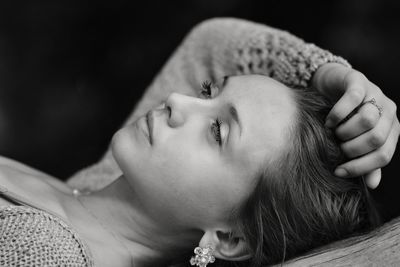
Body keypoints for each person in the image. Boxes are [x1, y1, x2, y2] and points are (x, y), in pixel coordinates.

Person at [0, 18, 399, 267]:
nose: (177, 101)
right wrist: (332, 75)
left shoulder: (43, 250)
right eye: (208, 93)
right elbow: (212, 44)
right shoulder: (88, 196)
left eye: (216, 132)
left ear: (228, 238)